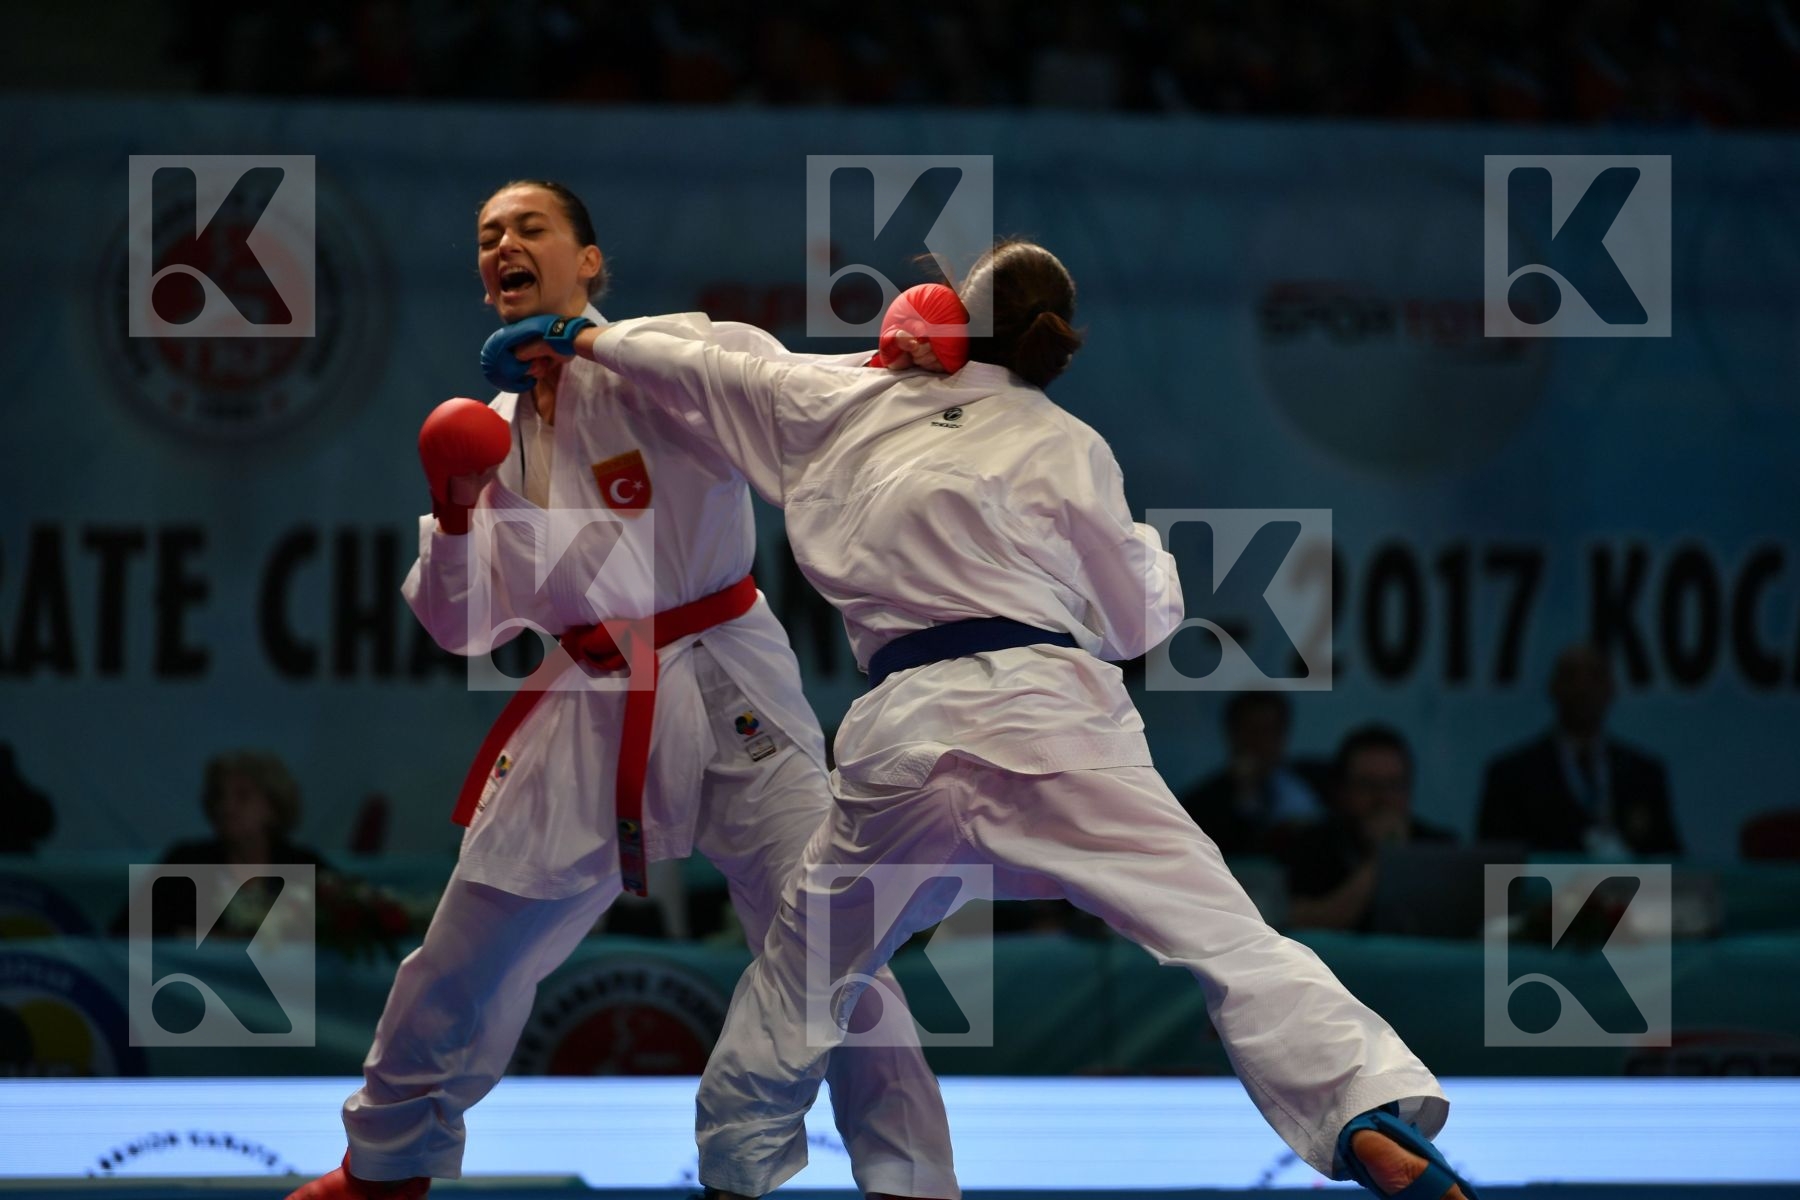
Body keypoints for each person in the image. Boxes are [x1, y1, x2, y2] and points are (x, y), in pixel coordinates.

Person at [494, 242, 1476, 1200]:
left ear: (958, 326)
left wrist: (584, 336)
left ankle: (734, 1174)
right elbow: (1141, 620)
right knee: (1222, 935)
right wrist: (1146, 555)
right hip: (1049, 721)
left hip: (902, 741)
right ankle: (1362, 1114)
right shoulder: (1062, 439)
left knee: (802, 978)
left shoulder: (850, 401)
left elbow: (710, 363)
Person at [288, 181, 954, 1200]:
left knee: (830, 943)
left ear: (589, 262)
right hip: (587, 695)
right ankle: (386, 1165)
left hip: (726, 669)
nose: (502, 244)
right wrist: (456, 511)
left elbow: (784, 395)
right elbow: (459, 625)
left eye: (529, 227)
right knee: (465, 954)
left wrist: (891, 368)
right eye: (486, 237)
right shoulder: (490, 433)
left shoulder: (661, 356)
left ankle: (913, 1189)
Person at [1477, 643, 1681, 857]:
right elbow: (1493, 868)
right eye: (1571, 676)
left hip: (1627, 889)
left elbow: (1673, 864)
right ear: (1553, 688)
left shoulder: (1644, 774)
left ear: (1611, 689)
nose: (1582, 688)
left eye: (1595, 677)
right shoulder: (1512, 775)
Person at [113, 750, 330, 938]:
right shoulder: (185, 864)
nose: (226, 807)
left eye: (242, 797)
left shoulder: (306, 868)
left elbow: (353, 929)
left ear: (274, 808)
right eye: (219, 797)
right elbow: (124, 932)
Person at [1281, 725, 1455, 932]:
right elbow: (1308, 923)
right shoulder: (1312, 845)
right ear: (1342, 791)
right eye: (1367, 784)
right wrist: (1383, 856)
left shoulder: (1438, 846)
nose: (1383, 798)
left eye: (1394, 784)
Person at [1181, 692, 1329, 856]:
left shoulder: (1316, 778)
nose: (1262, 741)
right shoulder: (1202, 802)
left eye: (1271, 730)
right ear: (1233, 734)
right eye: (1253, 731)